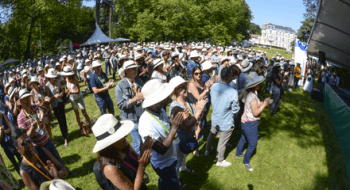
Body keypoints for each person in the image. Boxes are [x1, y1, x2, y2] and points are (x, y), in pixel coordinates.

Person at [138, 79, 185, 190]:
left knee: (164, 183)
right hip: (163, 165)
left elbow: (164, 128)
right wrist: (174, 128)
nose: (167, 99)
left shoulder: (160, 110)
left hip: (170, 159)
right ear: (156, 101)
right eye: (164, 97)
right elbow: (160, 148)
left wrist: (173, 124)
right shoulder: (146, 123)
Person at [92, 114, 152, 190]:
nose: (126, 136)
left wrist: (143, 152)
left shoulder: (123, 145)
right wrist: (142, 166)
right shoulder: (110, 168)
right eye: (120, 135)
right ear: (110, 143)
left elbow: (137, 161)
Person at [168, 76, 206, 187]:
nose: (185, 88)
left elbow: (196, 116)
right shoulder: (176, 108)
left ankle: (184, 168)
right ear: (175, 90)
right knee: (177, 163)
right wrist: (198, 112)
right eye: (181, 87)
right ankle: (177, 181)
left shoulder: (187, 100)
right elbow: (187, 126)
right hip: (180, 140)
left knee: (184, 157)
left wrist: (199, 110)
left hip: (188, 137)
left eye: (185, 86)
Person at [236, 72, 272, 171]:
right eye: (259, 84)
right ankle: (246, 161)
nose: (260, 85)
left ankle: (238, 153)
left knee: (243, 138)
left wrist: (264, 102)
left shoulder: (248, 93)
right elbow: (256, 112)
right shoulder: (252, 97)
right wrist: (265, 104)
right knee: (253, 144)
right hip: (250, 123)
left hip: (244, 121)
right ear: (255, 85)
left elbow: (253, 106)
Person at [205, 68, 239, 167]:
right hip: (226, 121)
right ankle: (219, 160)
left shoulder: (214, 86)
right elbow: (235, 109)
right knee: (222, 142)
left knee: (211, 135)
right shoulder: (233, 92)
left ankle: (207, 150)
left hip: (215, 117)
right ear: (229, 77)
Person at [115, 60, 144, 155]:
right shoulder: (120, 86)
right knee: (137, 142)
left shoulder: (139, 81)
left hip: (142, 114)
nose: (136, 70)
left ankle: (145, 155)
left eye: (136, 68)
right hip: (131, 118)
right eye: (134, 69)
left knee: (144, 138)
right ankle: (137, 162)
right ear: (126, 71)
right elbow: (120, 104)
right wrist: (135, 98)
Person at [61, 66, 93, 135]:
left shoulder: (75, 79)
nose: (64, 75)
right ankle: (81, 128)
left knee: (84, 112)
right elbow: (69, 89)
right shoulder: (66, 80)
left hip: (79, 97)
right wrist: (64, 92)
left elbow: (78, 91)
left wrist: (70, 92)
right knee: (77, 113)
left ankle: (91, 125)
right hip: (72, 99)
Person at [188, 66, 211, 156]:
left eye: (200, 73)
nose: (199, 75)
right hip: (195, 108)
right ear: (193, 74)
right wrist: (207, 89)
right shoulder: (192, 84)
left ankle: (195, 142)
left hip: (201, 107)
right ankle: (194, 148)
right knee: (196, 129)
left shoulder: (201, 82)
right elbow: (198, 97)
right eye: (196, 74)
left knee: (199, 127)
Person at [45, 69, 69, 147]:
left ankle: (66, 132)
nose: (53, 78)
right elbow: (48, 98)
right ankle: (65, 138)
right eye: (52, 77)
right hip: (55, 105)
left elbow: (62, 90)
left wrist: (61, 94)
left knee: (64, 119)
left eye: (53, 77)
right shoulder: (47, 86)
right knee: (60, 121)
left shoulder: (57, 81)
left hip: (61, 102)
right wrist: (54, 97)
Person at [29, 76, 57, 145]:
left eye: (34, 83)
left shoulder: (42, 89)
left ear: (36, 83)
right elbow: (32, 105)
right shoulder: (31, 93)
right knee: (42, 127)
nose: (33, 85)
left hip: (46, 109)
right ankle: (46, 141)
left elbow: (46, 97)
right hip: (39, 113)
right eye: (32, 84)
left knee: (48, 126)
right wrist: (40, 104)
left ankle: (51, 140)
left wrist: (46, 100)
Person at [0, 111, 22, 175]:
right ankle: (23, 178)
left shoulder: (3, 115)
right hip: (5, 145)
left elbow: (10, 128)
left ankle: (28, 174)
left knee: (20, 159)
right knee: (15, 163)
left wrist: (4, 130)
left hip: (12, 141)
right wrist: (1, 132)